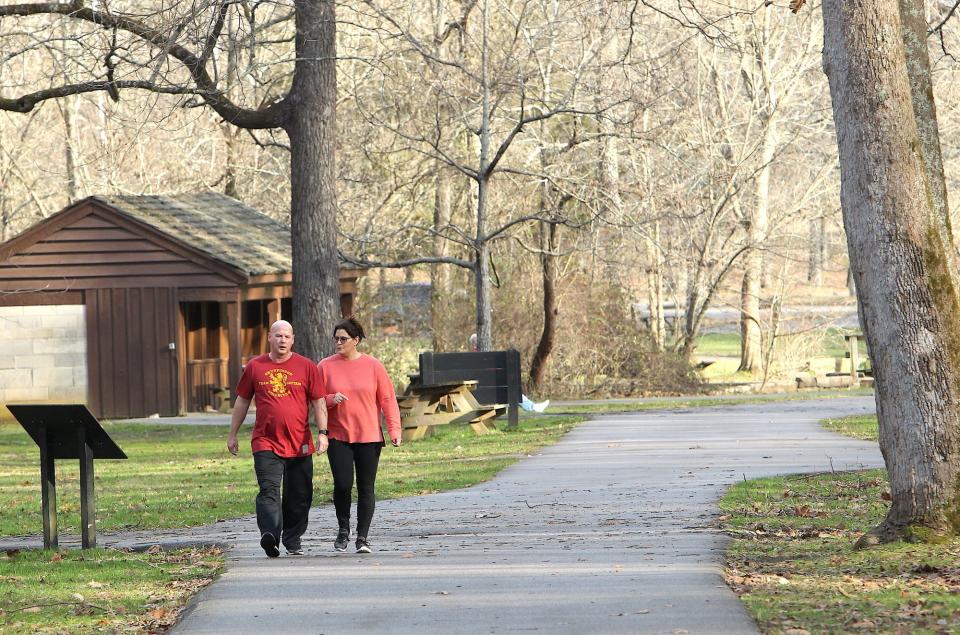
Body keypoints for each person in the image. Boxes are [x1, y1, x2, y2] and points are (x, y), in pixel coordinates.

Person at [227, 320, 328, 558]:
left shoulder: (306, 366)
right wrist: (232, 434)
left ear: (293, 340)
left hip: (299, 442)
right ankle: (270, 535)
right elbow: (242, 401)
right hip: (265, 441)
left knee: (299, 494)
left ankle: (292, 539)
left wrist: (323, 433)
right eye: (278, 336)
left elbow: (319, 401)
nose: (283, 340)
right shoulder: (255, 366)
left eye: (287, 336)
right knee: (268, 490)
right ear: (269, 338)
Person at [318, 317, 402, 554]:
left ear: (356, 340)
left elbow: (387, 399)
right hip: (339, 436)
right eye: (336, 339)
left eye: (343, 339)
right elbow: (314, 401)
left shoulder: (373, 366)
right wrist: (331, 399)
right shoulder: (325, 366)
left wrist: (394, 429)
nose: (338, 343)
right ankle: (343, 529)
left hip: (369, 436)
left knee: (366, 487)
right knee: (343, 485)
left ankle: (362, 537)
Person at [468, 333, 549, 413]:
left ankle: (532, 406)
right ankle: (533, 407)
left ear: (472, 345)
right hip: (490, 393)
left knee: (507, 389)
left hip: (472, 394)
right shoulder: (484, 357)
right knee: (510, 389)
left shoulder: (468, 359)